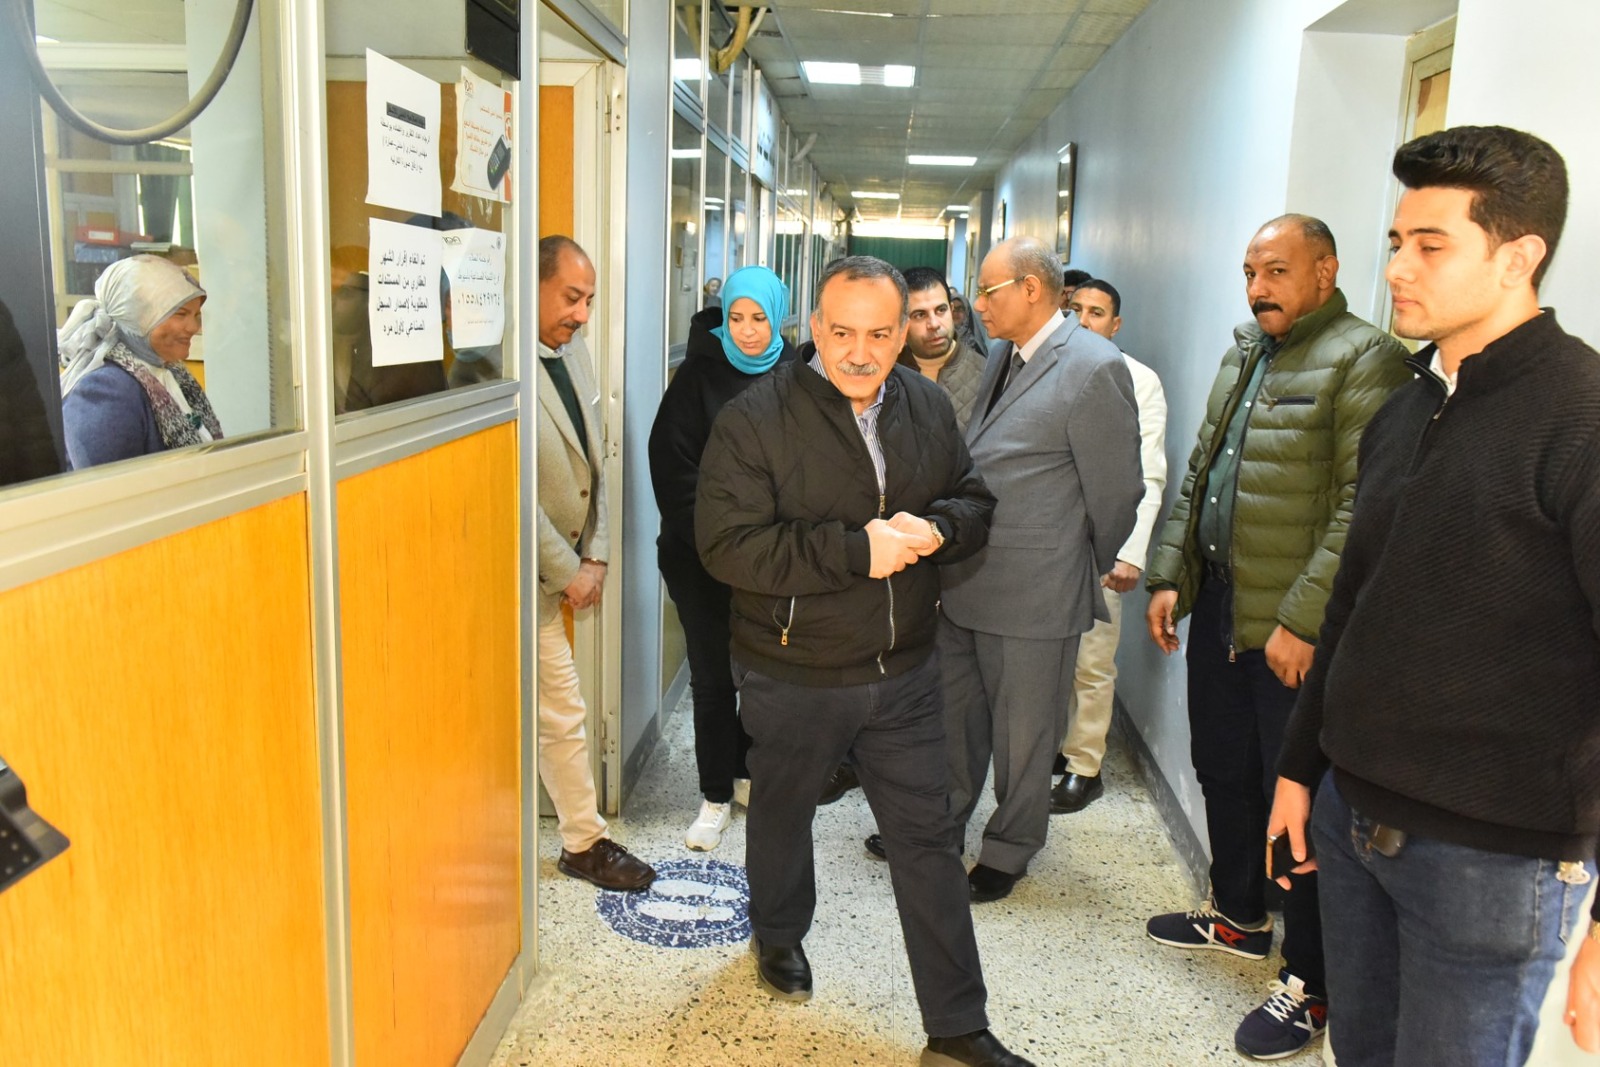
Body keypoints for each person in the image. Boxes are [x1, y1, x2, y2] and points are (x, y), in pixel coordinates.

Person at [1269, 126, 1600, 1067]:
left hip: (1494, 858)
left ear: (1518, 256)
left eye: (1430, 245)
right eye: (1395, 241)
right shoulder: (1407, 406)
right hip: (1353, 818)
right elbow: (1350, 605)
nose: (1397, 268)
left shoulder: (1581, 417)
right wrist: (1300, 769)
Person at [697, 256, 1034, 1067]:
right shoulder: (755, 418)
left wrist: (940, 530)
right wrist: (857, 550)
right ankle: (779, 932)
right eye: (841, 332)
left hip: (906, 671)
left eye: (880, 334)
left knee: (927, 841)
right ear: (813, 328)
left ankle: (956, 1025)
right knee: (783, 813)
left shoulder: (925, 403)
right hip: (794, 669)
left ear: (903, 331)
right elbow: (727, 546)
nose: (859, 352)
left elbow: (974, 499)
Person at [1141, 214, 1410, 1060]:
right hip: (1225, 604)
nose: (1259, 288)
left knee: (1301, 811)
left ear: (1325, 272)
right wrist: (1172, 572)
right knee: (1224, 767)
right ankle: (1237, 915)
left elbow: (1364, 505)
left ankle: (1312, 981)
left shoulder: (1367, 359)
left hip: (1294, 629)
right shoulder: (1244, 353)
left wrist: (1303, 618)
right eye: (1251, 272)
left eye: (1278, 271)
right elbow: (1202, 474)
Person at [939, 236, 1144, 903]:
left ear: (1031, 289)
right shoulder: (1004, 353)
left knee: (1024, 736)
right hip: (967, 580)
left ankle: (1009, 848)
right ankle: (942, 827)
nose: (977, 305)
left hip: (1037, 590)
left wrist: (1078, 562)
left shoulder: (1093, 366)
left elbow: (1118, 492)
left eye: (988, 290)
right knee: (957, 723)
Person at [648, 265, 798, 851]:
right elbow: (672, 467)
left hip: (769, 561)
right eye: (736, 318)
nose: (748, 330)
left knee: (763, 675)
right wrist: (719, 542)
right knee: (712, 676)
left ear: (778, 316)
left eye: (759, 318)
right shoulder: (697, 375)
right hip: (700, 558)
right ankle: (714, 794)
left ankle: (747, 774)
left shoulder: (796, 376)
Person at [536, 234, 656, 892]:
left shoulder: (573, 352)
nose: (582, 315)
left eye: (589, 300)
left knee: (559, 710)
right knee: (561, 709)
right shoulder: (491, 367)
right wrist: (570, 569)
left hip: (570, 559)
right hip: (521, 577)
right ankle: (583, 842)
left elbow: (598, 457)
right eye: (571, 298)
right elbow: (512, 494)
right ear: (532, 286)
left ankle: (581, 839)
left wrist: (599, 553)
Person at [1050, 279, 1167, 814]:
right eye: (1075, 309)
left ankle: (1084, 767)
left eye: (1096, 312)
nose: (1084, 319)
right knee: (1048, 659)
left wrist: (1130, 552)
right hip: (1049, 541)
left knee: (1092, 661)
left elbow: (1150, 473)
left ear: (1115, 325)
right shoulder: (1045, 368)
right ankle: (1056, 746)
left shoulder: (1138, 380)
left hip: (1104, 543)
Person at [58, 254, 222, 469]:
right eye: (180, 314)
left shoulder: (170, 372)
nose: (193, 327)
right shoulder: (106, 391)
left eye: (195, 315)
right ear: (136, 317)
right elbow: (113, 486)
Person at [896, 267, 986, 431]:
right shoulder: (887, 374)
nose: (934, 324)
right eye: (920, 315)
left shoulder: (985, 374)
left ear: (951, 310)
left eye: (941, 310)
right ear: (902, 322)